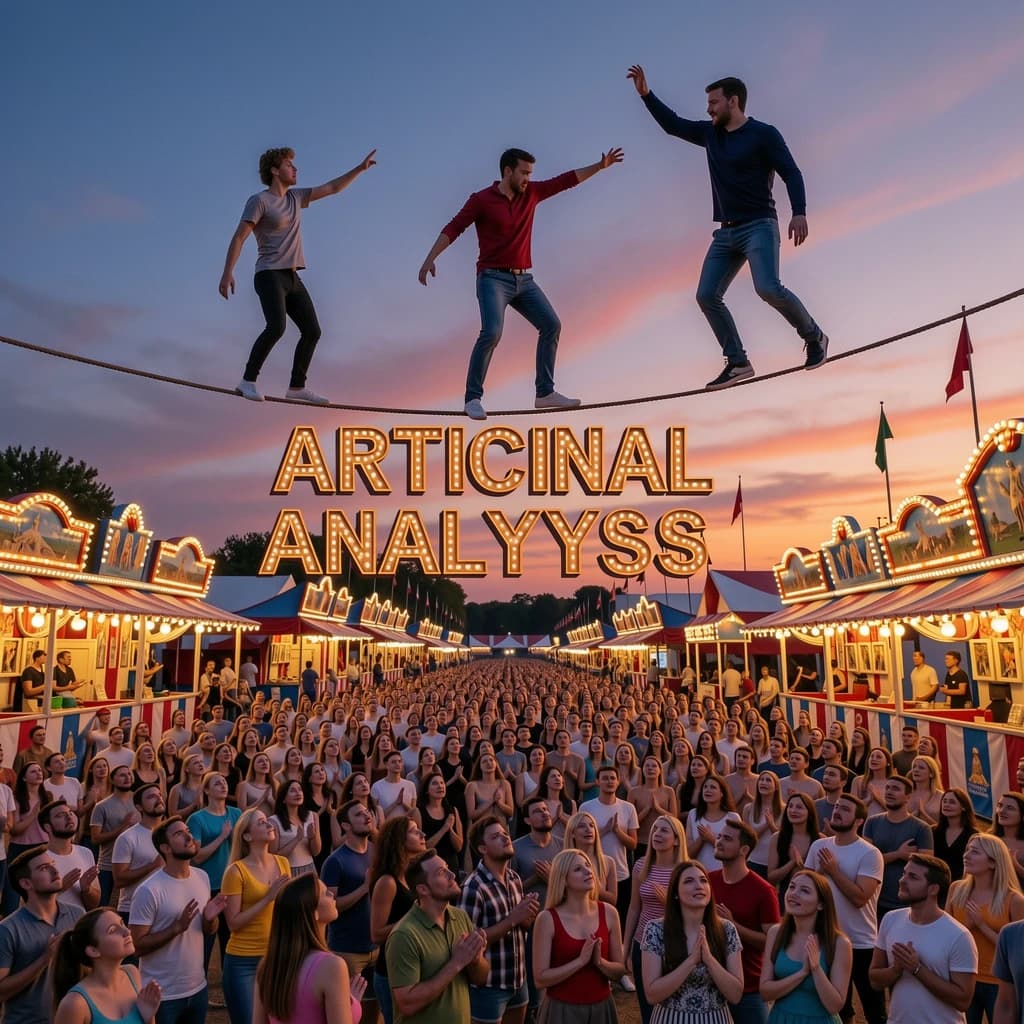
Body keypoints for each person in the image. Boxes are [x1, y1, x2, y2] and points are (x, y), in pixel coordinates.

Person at [627, 66, 828, 389]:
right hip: (726, 233)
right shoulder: (711, 135)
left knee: (768, 288)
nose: (708, 109)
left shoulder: (764, 134)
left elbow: (791, 172)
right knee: (706, 295)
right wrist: (646, 95)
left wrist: (799, 212)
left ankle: (814, 336)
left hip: (759, 226)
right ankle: (738, 362)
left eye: (713, 102)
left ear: (733, 101)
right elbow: (673, 125)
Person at [418, 145, 623, 419]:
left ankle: (544, 393)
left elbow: (565, 181)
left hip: (524, 280)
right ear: (508, 171)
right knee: (492, 332)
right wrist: (430, 258)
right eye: (524, 173)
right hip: (492, 279)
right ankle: (472, 398)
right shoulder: (481, 200)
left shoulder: (532, 193)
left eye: (530, 173)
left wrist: (599, 166)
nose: (528, 178)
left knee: (551, 324)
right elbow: (454, 228)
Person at [220, 145, 377, 405]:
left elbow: (332, 188)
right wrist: (228, 272)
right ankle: (247, 381)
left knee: (312, 331)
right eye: (289, 164)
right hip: (269, 275)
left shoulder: (295, 197)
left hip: (292, 278)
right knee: (276, 327)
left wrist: (359, 169)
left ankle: (296, 386)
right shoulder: (259, 201)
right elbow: (239, 237)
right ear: (274, 170)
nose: (295, 168)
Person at [128, 817, 228, 1024]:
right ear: (165, 848)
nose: (189, 837)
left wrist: (210, 920)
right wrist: (176, 928)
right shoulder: (148, 890)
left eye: (187, 831)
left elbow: (209, 930)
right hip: (162, 996)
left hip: (198, 989)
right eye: (179, 834)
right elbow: (136, 946)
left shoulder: (202, 877)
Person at [805, 795, 885, 1024]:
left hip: (861, 942)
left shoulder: (870, 853)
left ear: (859, 821)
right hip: (827, 939)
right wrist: (820, 873)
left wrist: (833, 871)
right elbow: (806, 887)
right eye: (837, 807)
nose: (837, 811)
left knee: (875, 1012)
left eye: (845, 809)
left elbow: (860, 897)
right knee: (838, 1010)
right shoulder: (819, 846)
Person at [869, 854, 978, 1024]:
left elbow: (963, 1001)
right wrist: (895, 970)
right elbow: (874, 980)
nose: (902, 880)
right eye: (904, 873)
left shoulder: (958, 936)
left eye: (912, 877)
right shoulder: (890, 919)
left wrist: (917, 969)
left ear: (933, 889)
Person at [386, 850, 490, 1024]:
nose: (452, 875)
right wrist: (456, 963)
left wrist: (476, 960)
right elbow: (407, 1004)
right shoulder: (404, 935)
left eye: (448, 868)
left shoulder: (460, 916)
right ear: (423, 889)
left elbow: (481, 979)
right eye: (441, 872)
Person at [640, 860, 745, 1024]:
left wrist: (709, 960)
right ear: (675, 893)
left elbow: (735, 994)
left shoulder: (727, 930)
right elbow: (652, 995)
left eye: (703, 880)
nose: (699, 886)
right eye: (689, 881)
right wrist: (691, 961)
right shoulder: (655, 930)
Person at [460, 815, 539, 1024]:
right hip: (489, 986)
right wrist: (513, 918)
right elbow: (468, 943)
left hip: (518, 979)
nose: (505, 837)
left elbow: (522, 926)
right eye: (496, 836)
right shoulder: (472, 887)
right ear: (482, 848)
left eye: (505, 833)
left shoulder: (514, 879)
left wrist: (527, 916)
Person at [252, 873, 362, 1024]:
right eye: (325, 893)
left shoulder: (267, 966)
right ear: (313, 912)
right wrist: (351, 1005)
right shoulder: (332, 966)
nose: (332, 894)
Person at [531, 849, 626, 1024]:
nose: (588, 871)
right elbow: (540, 979)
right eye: (577, 869)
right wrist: (580, 962)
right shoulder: (547, 919)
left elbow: (620, 971)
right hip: (561, 1011)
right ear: (563, 880)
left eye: (588, 866)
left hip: (602, 1009)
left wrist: (600, 963)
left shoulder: (610, 913)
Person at [221, 809, 291, 1024]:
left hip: (276, 957)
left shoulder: (283, 863)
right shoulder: (235, 871)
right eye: (261, 822)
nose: (269, 824)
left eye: (268, 820)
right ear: (247, 836)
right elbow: (233, 923)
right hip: (244, 962)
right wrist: (268, 898)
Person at [0, 846, 85, 1024]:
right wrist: (45, 959)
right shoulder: (8, 930)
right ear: (26, 883)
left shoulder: (77, 915)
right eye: (44, 868)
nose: (55, 870)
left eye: (53, 864)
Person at [710, 820, 781, 1024]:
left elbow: (772, 943)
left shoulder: (763, 891)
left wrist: (733, 926)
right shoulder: (707, 881)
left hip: (749, 990)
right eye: (719, 836)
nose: (719, 841)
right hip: (710, 987)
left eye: (727, 838)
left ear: (744, 850)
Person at [947, 835, 1024, 1024]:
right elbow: (945, 937)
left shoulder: (1014, 900)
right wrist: (968, 927)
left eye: (975, 852)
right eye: (967, 850)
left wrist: (982, 926)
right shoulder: (956, 890)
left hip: (998, 983)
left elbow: (1016, 950)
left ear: (993, 862)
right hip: (962, 977)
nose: (966, 855)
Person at [760, 869, 852, 1024]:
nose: (793, 894)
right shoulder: (775, 933)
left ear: (821, 904)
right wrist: (802, 973)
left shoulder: (840, 943)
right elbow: (765, 992)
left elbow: (834, 1005)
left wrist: (816, 969)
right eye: (792, 887)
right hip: (781, 1019)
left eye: (805, 890)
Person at [50, 908, 163, 1024]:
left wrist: (148, 1016)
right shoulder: (75, 1004)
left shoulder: (132, 973)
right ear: (93, 951)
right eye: (112, 930)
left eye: (122, 923)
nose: (127, 931)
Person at [321, 801, 378, 1024]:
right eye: (358, 814)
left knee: (374, 1013)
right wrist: (364, 888)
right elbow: (331, 907)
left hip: (376, 947)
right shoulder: (335, 861)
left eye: (366, 812)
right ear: (345, 825)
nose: (366, 816)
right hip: (348, 952)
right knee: (350, 1015)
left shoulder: (376, 851)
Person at [370, 818, 428, 1024]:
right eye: (414, 831)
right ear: (398, 840)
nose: (422, 834)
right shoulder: (387, 882)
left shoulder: (414, 876)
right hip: (391, 973)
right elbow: (376, 934)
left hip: (416, 967)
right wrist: (415, 916)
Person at [863, 776, 934, 918]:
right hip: (875, 899)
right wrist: (899, 854)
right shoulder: (872, 822)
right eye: (887, 788)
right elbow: (866, 861)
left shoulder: (922, 828)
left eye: (895, 789)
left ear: (908, 796)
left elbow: (926, 864)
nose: (889, 792)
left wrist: (886, 856)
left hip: (907, 903)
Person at [580, 766, 640, 926]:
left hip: (621, 872)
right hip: (593, 873)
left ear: (618, 781)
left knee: (618, 921)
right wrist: (605, 830)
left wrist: (617, 831)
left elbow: (633, 844)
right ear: (597, 781)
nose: (609, 781)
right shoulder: (586, 807)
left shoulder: (628, 808)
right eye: (605, 778)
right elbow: (580, 838)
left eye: (613, 778)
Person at [112, 785, 165, 924]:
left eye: (159, 795)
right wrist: (152, 866)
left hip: (166, 909)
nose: (158, 799)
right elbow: (119, 880)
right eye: (151, 797)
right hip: (133, 910)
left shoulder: (171, 834)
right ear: (139, 807)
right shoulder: (127, 838)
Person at [40, 800, 100, 912]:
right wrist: (60, 888)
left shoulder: (86, 853)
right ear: (47, 827)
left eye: (70, 813)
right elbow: (32, 907)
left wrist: (87, 890)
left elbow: (93, 905)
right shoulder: (38, 859)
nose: (69, 817)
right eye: (61, 815)